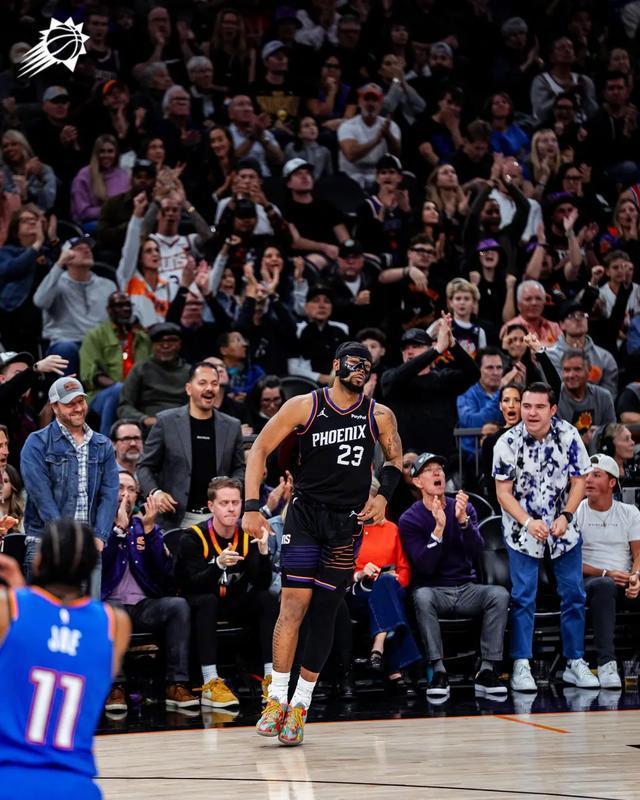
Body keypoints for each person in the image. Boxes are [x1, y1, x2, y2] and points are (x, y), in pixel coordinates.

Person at [244, 340, 403, 746]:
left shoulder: (379, 414)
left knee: (325, 613)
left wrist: (383, 497)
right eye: (354, 362)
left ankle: (300, 705)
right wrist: (251, 506)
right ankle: (276, 700)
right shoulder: (305, 405)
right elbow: (259, 448)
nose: (360, 369)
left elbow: (395, 460)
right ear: (335, 365)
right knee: (292, 606)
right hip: (305, 515)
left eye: (367, 365)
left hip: (345, 523)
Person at [0, 520, 131, 800]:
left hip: (10, 780)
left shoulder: (9, 609)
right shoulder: (114, 624)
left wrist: (16, 592)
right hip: (77, 786)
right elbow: (59, 646)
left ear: (39, 561)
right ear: (91, 565)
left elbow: (30, 635)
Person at [493, 382, 599, 692]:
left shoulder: (569, 435)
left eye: (539, 407)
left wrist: (567, 515)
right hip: (522, 529)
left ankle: (575, 662)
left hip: (563, 526)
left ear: (552, 409)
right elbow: (503, 493)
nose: (531, 412)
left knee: (574, 594)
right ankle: (521, 664)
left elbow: (579, 480)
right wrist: (528, 522)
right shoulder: (507, 442)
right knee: (523, 597)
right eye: (526, 406)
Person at [399, 452, 510, 699]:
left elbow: (477, 551)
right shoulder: (409, 519)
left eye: (439, 468)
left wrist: (463, 523)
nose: (437, 472)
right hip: (434, 591)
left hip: (467, 588)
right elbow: (425, 567)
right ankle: (438, 671)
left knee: (499, 595)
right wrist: (438, 530)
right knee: (422, 597)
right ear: (417, 481)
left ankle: (487, 670)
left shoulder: (463, 507)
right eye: (429, 470)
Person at [174, 476, 276, 710]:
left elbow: (261, 583)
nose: (231, 508)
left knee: (267, 598)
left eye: (236, 502)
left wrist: (263, 554)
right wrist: (217, 565)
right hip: (199, 603)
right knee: (208, 601)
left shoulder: (247, 535)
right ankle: (210, 681)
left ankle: (271, 678)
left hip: (232, 602)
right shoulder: (193, 537)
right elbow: (189, 584)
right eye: (224, 503)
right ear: (211, 506)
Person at [102, 471, 199, 713]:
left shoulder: (145, 526)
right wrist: (118, 531)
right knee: (111, 611)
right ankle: (115, 687)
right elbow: (100, 567)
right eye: (119, 488)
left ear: (138, 496)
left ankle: (176, 684)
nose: (125, 494)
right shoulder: (97, 525)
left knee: (178, 606)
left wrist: (149, 532)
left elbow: (164, 572)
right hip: (110, 603)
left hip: (143, 606)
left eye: (131, 489)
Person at [20, 377, 120, 589]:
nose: (78, 408)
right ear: (55, 407)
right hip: (45, 544)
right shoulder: (37, 442)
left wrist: (100, 536)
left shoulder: (102, 444)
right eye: (69, 404)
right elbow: (40, 495)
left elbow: (110, 493)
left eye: (80, 401)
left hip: (89, 547)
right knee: (44, 610)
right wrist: (63, 539)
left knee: (87, 610)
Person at [137, 361, 245, 529]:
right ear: (188, 388)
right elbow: (144, 466)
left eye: (214, 383)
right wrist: (155, 493)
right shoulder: (166, 421)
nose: (209, 388)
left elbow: (240, 468)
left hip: (218, 520)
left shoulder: (232, 426)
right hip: (174, 520)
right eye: (202, 383)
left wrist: (231, 490)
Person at [577, 453, 640, 690]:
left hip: (625, 580)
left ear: (612, 482)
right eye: (586, 475)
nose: (588, 480)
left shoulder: (630, 512)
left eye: (596, 475)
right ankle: (606, 664)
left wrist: (636, 578)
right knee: (604, 586)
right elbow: (569, 564)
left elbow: (638, 554)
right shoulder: (576, 513)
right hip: (591, 581)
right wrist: (606, 573)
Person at [79, 292, 152, 436]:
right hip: (101, 394)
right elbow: (90, 375)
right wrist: (126, 390)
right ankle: (107, 443)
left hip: (138, 392)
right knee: (117, 391)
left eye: (128, 305)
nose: (125, 309)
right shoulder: (95, 335)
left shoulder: (142, 337)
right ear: (109, 310)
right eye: (119, 306)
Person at [117, 322, 190, 431]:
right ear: (152, 345)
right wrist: (144, 419)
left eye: (171, 341)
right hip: (148, 427)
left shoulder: (189, 372)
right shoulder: (141, 369)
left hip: (181, 425)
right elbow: (124, 406)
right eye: (160, 341)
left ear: (180, 344)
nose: (165, 346)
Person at [338, 83, 401, 188]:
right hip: (351, 177)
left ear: (381, 103)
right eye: (367, 99)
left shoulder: (391, 126)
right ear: (360, 102)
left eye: (375, 100)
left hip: (379, 178)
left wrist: (388, 135)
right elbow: (351, 155)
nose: (370, 104)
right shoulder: (347, 126)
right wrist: (376, 141)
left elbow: (396, 156)